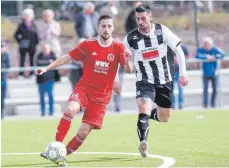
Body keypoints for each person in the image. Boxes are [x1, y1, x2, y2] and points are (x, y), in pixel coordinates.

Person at [36, 14, 132, 167]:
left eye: (109, 26)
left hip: (101, 97)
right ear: (98, 28)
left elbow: (128, 70)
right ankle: (56, 145)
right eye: (103, 26)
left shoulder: (119, 47)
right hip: (84, 89)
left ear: (112, 28)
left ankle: (61, 155)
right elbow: (66, 57)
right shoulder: (88, 44)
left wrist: (127, 61)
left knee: (83, 131)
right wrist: (46, 68)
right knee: (70, 110)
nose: (106, 29)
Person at [123, 4, 188, 158]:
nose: (140, 22)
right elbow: (126, 66)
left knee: (164, 117)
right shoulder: (130, 38)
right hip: (144, 81)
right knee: (143, 107)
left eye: (143, 18)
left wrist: (183, 74)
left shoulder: (161, 31)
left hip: (164, 80)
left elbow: (179, 50)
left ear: (150, 17)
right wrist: (125, 63)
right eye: (138, 19)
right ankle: (143, 143)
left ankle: (148, 116)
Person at [196, 37, 225, 108]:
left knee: (215, 89)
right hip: (205, 74)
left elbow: (222, 54)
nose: (206, 46)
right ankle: (205, 104)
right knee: (205, 89)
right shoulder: (201, 50)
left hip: (214, 73)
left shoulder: (215, 49)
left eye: (207, 44)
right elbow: (197, 55)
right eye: (205, 44)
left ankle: (213, 104)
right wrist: (206, 57)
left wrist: (214, 57)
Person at [35, 43, 59, 116]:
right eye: (43, 48)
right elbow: (38, 63)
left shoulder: (53, 56)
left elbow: (56, 63)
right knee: (41, 96)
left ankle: (51, 111)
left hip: (50, 79)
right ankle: (43, 112)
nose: (45, 50)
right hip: (41, 80)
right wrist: (48, 63)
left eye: (46, 48)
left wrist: (50, 63)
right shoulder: (39, 56)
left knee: (50, 95)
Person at [14, 8, 39, 77]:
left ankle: (32, 74)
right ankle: (21, 74)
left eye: (28, 15)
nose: (27, 16)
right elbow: (16, 35)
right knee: (22, 60)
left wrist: (36, 43)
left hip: (32, 45)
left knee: (32, 60)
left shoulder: (34, 24)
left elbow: (37, 35)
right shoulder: (21, 25)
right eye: (25, 15)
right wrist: (20, 41)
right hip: (23, 45)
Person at [172, 43, 189, 109]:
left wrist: (180, 58)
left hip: (180, 72)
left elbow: (187, 56)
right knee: (171, 89)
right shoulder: (168, 46)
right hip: (171, 71)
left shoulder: (183, 47)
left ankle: (180, 104)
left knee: (180, 89)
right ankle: (172, 104)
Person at [1, 42, 11, 119]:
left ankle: (1, 113)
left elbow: (8, 65)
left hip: (3, 79)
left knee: (2, 98)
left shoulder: (6, 55)